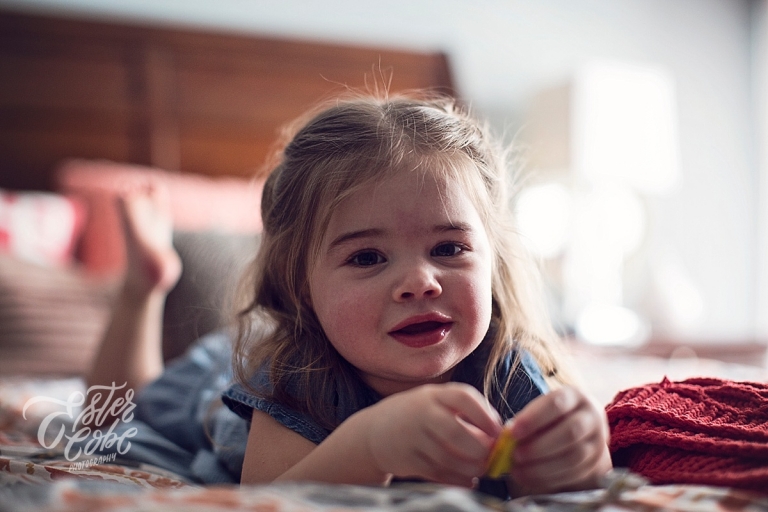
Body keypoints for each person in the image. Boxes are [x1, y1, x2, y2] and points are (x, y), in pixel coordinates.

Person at [87, 92, 611, 498]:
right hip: (218, 386)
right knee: (113, 416)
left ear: (493, 259)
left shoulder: (505, 368)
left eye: (449, 248)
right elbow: (267, 501)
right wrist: (372, 444)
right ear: (301, 285)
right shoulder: (295, 373)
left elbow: (566, 491)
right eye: (366, 258)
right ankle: (143, 288)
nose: (421, 282)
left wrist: (580, 456)